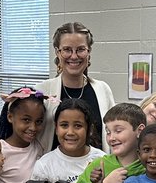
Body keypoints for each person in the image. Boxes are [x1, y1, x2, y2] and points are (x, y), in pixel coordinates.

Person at [38, 21, 115, 150]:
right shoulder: (42, 91)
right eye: (67, 50)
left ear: (89, 52)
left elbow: (114, 133)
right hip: (54, 169)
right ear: (57, 52)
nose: (74, 56)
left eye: (80, 49)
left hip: (97, 168)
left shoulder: (103, 90)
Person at [0, 86, 48, 183]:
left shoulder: (39, 147)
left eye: (39, 122)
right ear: (10, 117)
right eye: (26, 120)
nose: (33, 127)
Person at [31, 97, 106, 183]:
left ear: (90, 129)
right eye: (64, 125)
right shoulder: (44, 166)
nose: (70, 132)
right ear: (56, 128)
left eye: (78, 126)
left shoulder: (102, 160)